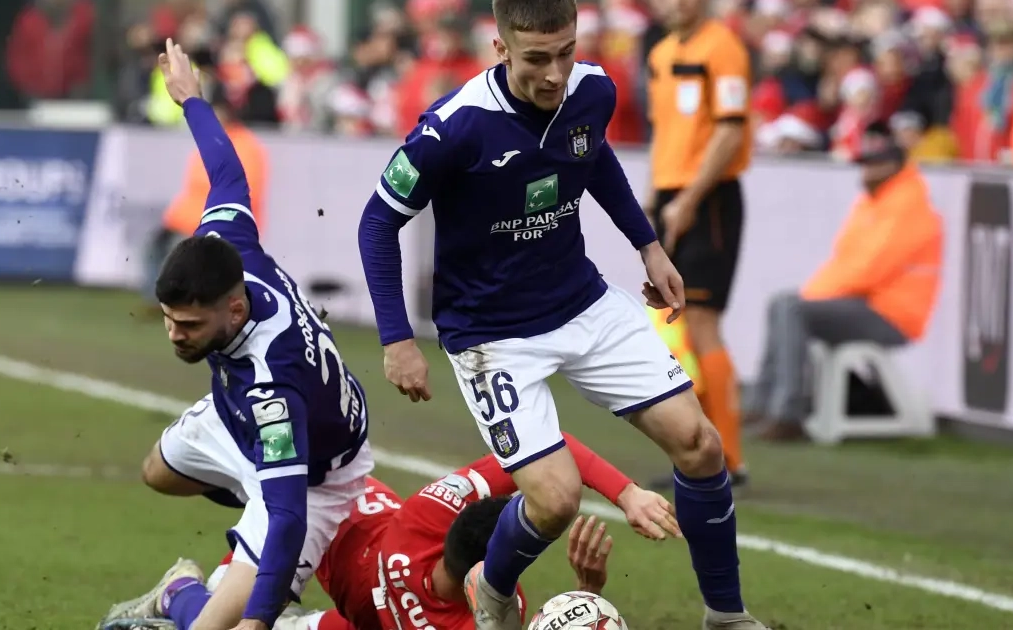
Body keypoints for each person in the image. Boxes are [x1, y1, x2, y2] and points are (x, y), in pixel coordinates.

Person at [355, 1, 766, 629]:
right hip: (491, 335)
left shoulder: (593, 90)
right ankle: (492, 589)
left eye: (566, 53)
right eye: (537, 59)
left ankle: (727, 617)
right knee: (555, 501)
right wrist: (396, 339)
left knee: (700, 445)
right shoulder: (453, 128)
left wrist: (649, 246)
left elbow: (592, 154)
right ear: (500, 49)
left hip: (581, 302)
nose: (554, 74)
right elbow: (377, 223)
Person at [97, 40, 374, 630]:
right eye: (169, 319)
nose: (174, 335)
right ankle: (242, 519)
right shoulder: (229, 244)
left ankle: (181, 593)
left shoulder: (272, 387)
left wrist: (257, 620)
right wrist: (191, 100)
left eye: (190, 325)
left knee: (219, 628)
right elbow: (226, 171)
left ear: (235, 307)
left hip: (314, 476)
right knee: (157, 472)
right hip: (240, 419)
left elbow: (290, 514)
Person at [191, 432, 680, 630]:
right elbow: (552, 448)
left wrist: (625, 493)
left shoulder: (427, 514)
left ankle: (179, 587)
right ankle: (185, 591)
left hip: (343, 508)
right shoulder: (494, 609)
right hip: (306, 520)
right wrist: (588, 594)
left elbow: (549, 445)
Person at [747, 121, 942, 441]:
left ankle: (788, 414)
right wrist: (813, 294)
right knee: (782, 303)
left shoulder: (907, 206)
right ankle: (763, 404)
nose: (864, 172)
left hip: (892, 314)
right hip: (868, 303)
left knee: (792, 307)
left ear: (893, 166)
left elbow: (869, 270)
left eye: (872, 165)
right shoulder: (874, 202)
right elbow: (844, 262)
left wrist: (812, 296)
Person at [646, 0, 752, 487]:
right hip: (672, 195)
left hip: (709, 198)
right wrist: (654, 196)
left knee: (703, 321)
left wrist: (689, 199)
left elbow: (730, 131)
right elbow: (664, 130)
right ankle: (700, 448)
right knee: (677, 323)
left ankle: (729, 456)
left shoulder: (723, 47)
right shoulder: (662, 53)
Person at [142, 82, 269, 315]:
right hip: (187, 218)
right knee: (154, 246)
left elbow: (242, 193)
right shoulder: (214, 142)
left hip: (215, 223)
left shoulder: (244, 146)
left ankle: (179, 303)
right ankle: (162, 302)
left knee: (178, 254)